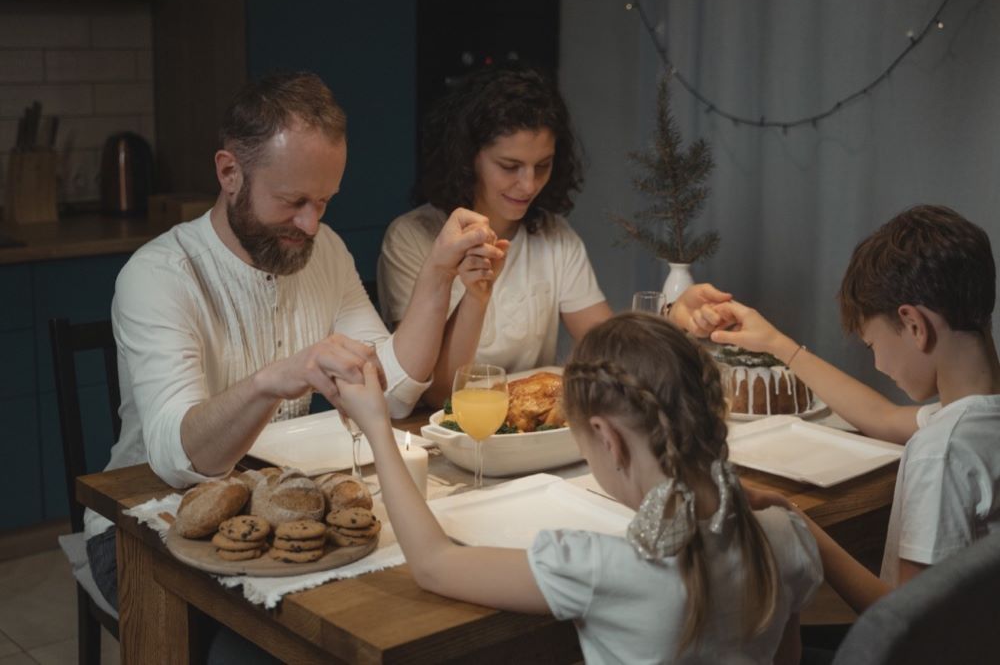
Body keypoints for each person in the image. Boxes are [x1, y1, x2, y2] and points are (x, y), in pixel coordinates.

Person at [83, 71, 497, 610]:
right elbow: (177, 458)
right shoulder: (159, 275)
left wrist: (439, 276)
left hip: (278, 510)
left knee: (396, 613)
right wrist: (274, 379)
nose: (310, 223)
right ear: (230, 172)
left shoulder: (324, 250)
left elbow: (392, 391)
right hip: (144, 525)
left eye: (324, 201)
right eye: (292, 200)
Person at [333, 312, 822, 664]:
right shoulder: (784, 536)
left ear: (607, 439)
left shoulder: (600, 566)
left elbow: (434, 566)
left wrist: (379, 429)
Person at [378, 63, 730, 405]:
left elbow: (608, 347)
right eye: (510, 166)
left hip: (531, 427)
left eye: (542, 166)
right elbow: (440, 395)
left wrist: (670, 319)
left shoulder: (554, 235)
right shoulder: (412, 238)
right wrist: (475, 297)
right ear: (467, 157)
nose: (528, 184)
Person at [709, 205, 1000, 614]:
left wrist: (798, 522)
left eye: (872, 345)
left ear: (914, 325)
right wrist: (778, 344)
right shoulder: (975, 421)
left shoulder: (942, 451)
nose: (878, 363)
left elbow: (907, 623)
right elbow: (880, 417)